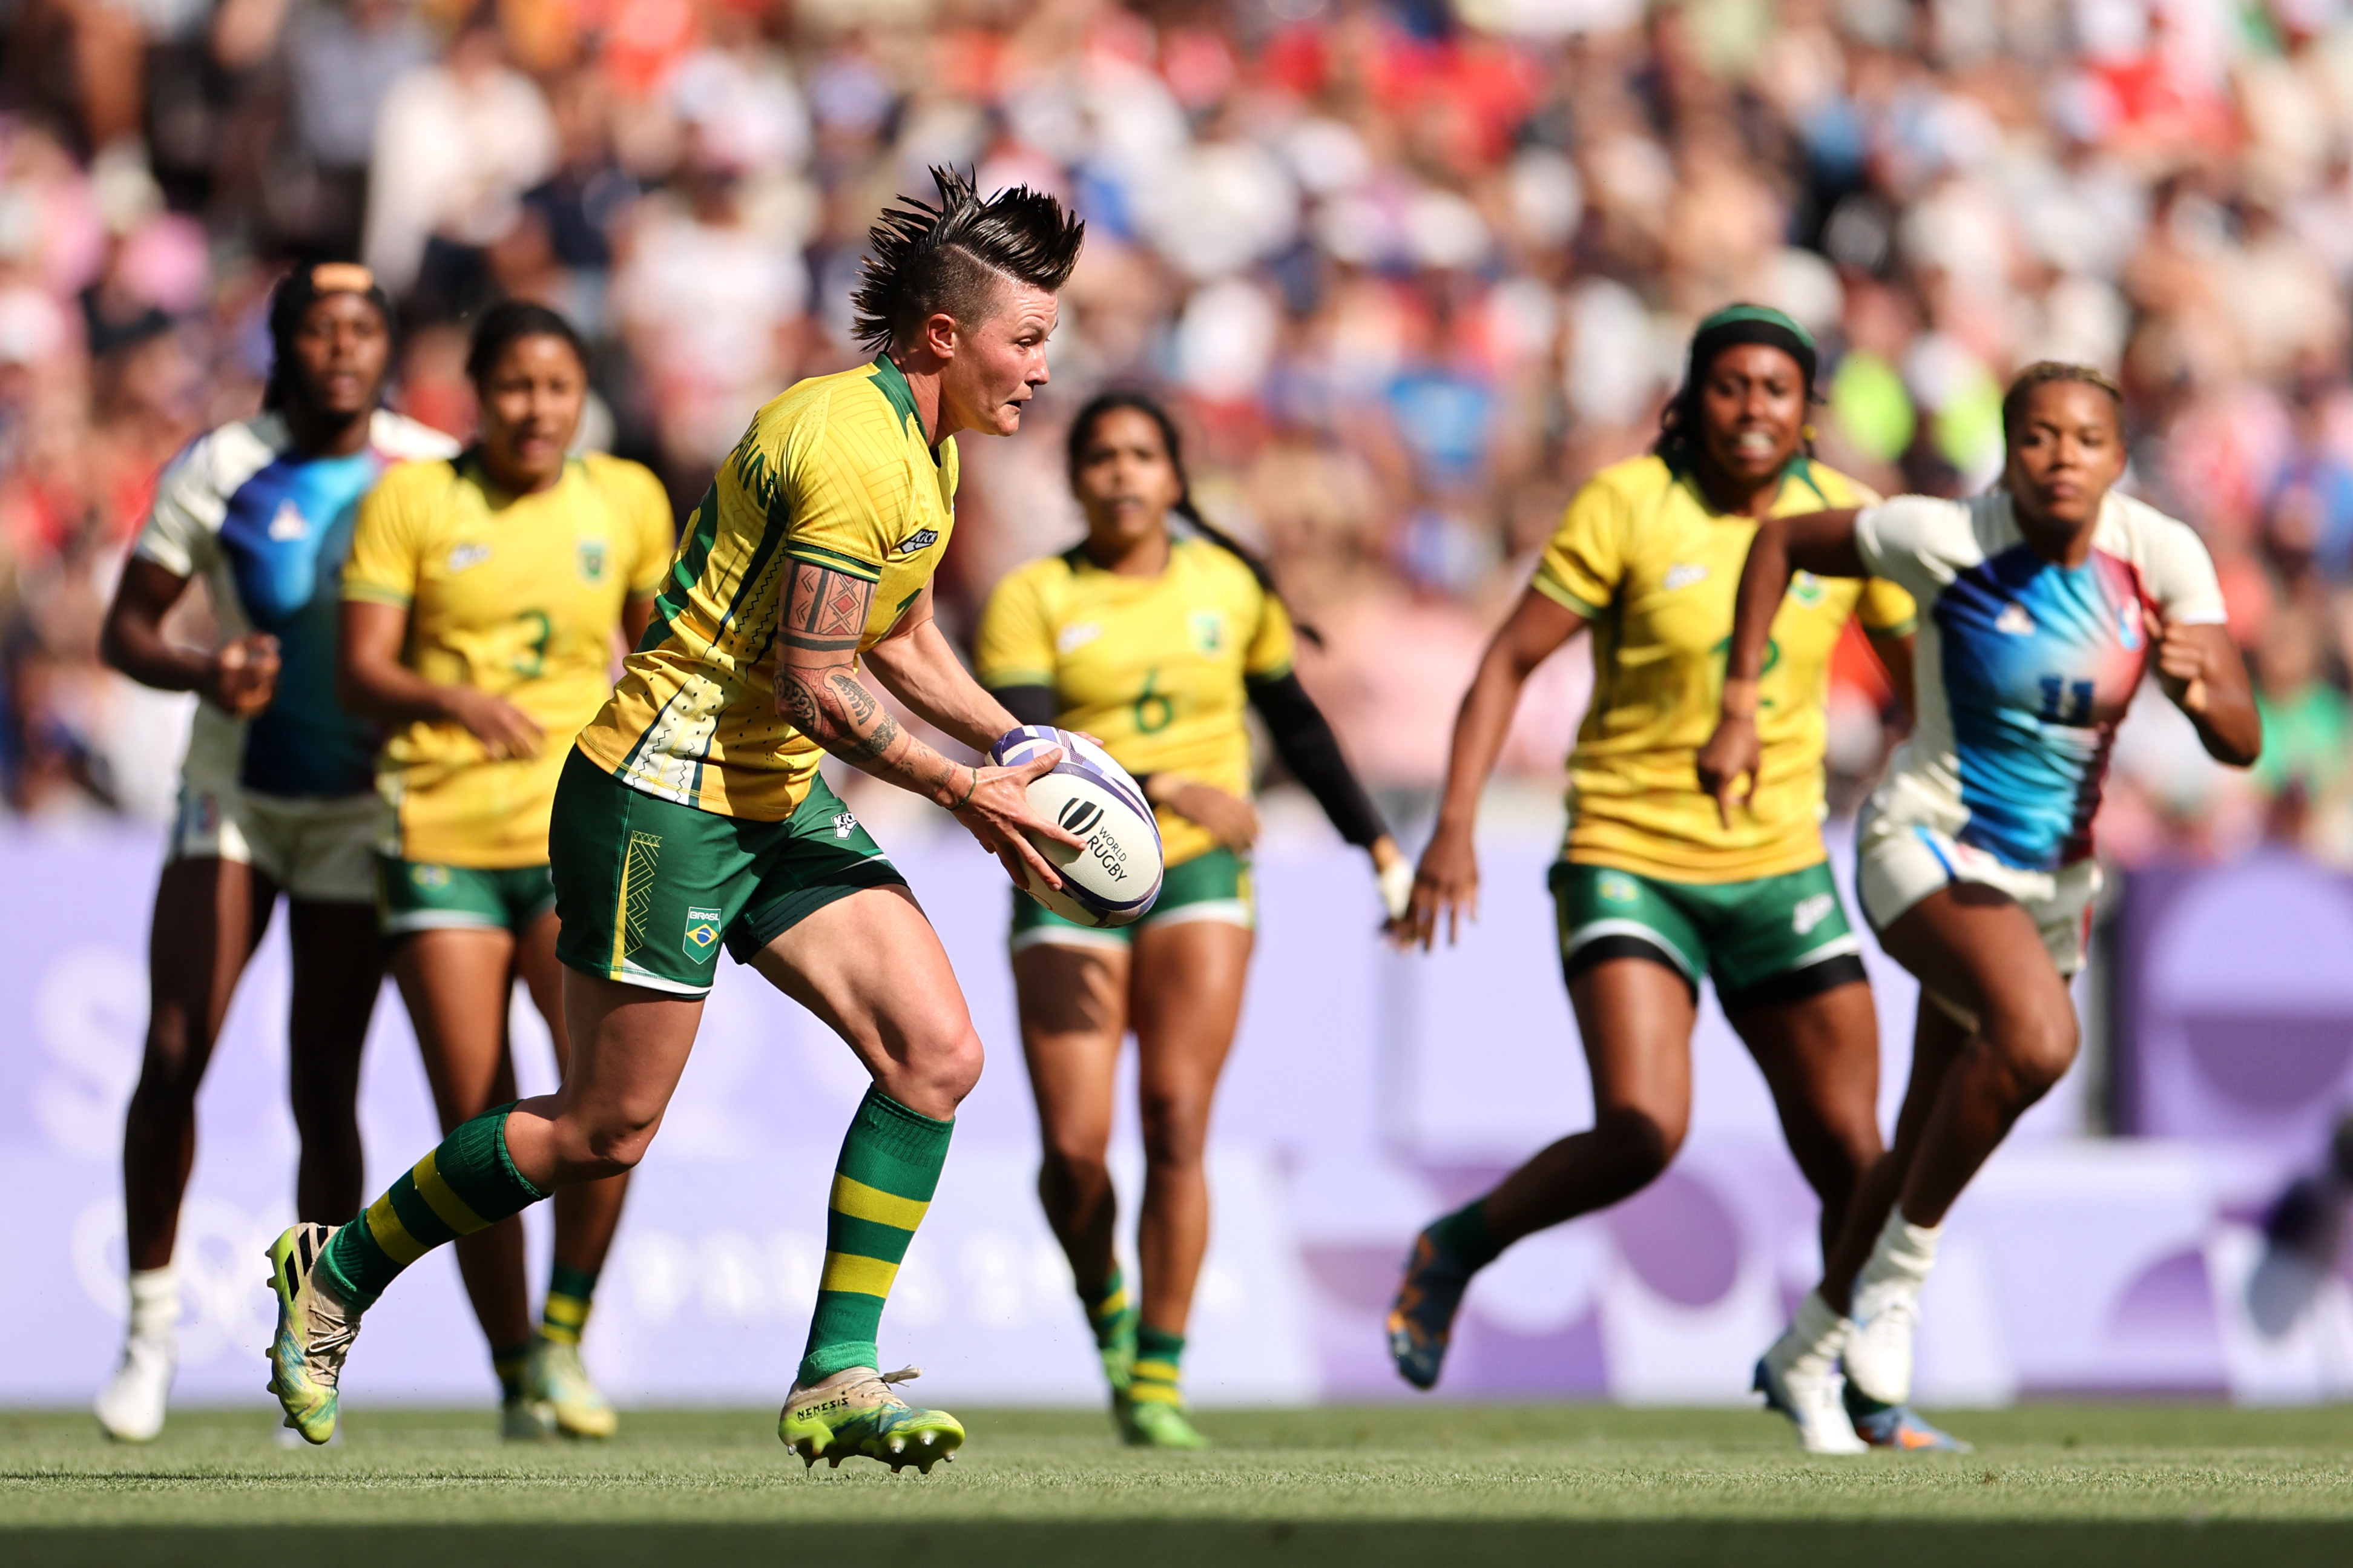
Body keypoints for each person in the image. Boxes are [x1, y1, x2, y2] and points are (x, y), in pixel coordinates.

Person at [261, 168, 1088, 1471]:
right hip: (663, 790)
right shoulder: (847, 446)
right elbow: (815, 682)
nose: (1046, 367)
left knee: (937, 1053)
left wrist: (1016, 739)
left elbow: (905, 629)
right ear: (946, 335)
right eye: (1030, 338)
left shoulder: (926, 450)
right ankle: (338, 1266)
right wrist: (967, 789)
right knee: (606, 1129)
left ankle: (836, 1373)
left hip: (769, 792)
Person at [1387, 305, 1955, 1450]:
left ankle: (1857, 1387)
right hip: (1626, 853)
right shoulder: (1627, 505)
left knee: (1859, 1157)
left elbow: (1920, 688)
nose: (1753, 410)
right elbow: (1506, 663)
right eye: (1731, 387)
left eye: (1776, 391)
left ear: (1810, 412)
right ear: (1691, 399)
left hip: (1781, 865)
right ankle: (1458, 1243)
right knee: (1645, 1128)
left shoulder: (1846, 524)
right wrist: (1453, 825)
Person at [1700, 361, 2261, 1452]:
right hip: (1924, 840)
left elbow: (2243, 739)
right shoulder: (1940, 534)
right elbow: (1779, 545)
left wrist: (2206, 696)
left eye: (2087, 439)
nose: (2063, 457)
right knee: (2042, 1039)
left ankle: (1809, 1344)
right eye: (2039, 437)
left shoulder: (2163, 556)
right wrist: (1741, 700)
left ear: (2120, 457)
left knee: (1922, 1130)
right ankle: (1898, 1290)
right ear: (2007, 451)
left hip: (2053, 887)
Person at [975, 390, 1410, 1448]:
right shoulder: (1030, 597)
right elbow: (1024, 750)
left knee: (1176, 1121)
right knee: (1076, 1153)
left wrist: (1379, 846)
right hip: (1065, 879)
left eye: (1143, 456)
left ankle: (1159, 1376)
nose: (1123, 474)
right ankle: (1107, 1314)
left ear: (1177, 478)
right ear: (1075, 482)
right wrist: (1169, 779)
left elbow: (1297, 725)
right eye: (1103, 458)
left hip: (1205, 879)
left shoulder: (1229, 585)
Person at [91, 263, 456, 1443]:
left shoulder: (429, 469)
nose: (340, 347)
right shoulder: (221, 464)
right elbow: (126, 629)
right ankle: (150, 1329)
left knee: (324, 1081)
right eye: (317, 327)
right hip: (233, 793)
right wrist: (207, 666)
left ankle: (314, 1336)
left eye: (363, 327)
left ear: (385, 345)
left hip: (360, 805)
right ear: (285, 343)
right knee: (175, 1042)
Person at [338, 301, 674, 1438]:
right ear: (476, 395)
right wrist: (451, 698)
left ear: (583, 396)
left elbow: (663, 657)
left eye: (558, 387)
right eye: (516, 387)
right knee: (476, 1111)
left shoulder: (625, 497)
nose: (537, 408)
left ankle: (567, 1333)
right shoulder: (414, 500)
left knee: (604, 1101)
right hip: (439, 837)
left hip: (577, 838)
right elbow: (360, 670)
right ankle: (514, 1364)